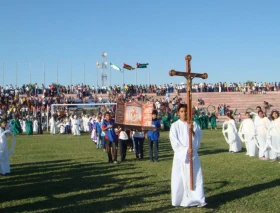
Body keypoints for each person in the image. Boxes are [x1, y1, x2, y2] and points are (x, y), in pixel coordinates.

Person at [169, 104, 206, 208]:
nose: (184, 113)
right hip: (181, 157)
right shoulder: (175, 126)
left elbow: (198, 139)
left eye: (186, 111)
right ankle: (179, 199)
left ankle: (197, 199)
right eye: (181, 111)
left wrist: (192, 131)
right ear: (178, 113)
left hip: (193, 155)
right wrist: (185, 150)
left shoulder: (194, 124)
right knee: (180, 179)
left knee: (195, 177)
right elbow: (174, 142)